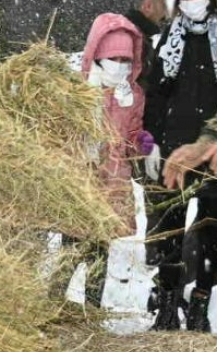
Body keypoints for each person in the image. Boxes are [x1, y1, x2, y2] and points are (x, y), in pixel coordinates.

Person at [143, 0, 217, 332]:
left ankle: (200, 302)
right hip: (174, 151)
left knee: (212, 231)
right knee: (169, 231)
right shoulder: (172, 36)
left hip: (213, 150)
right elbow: (156, 94)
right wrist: (152, 141)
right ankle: (168, 304)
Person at [81, 13, 152, 233]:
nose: (120, 67)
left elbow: (132, 131)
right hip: (81, 178)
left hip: (115, 180)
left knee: (102, 243)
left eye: (126, 61)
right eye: (114, 59)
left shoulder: (133, 95)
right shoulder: (79, 92)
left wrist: (141, 141)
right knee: (76, 233)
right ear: (98, 57)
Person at [124, 0, 169, 88]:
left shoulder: (139, 37)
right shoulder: (133, 39)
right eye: (165, 7)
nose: (166, 16)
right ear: (148, 6)